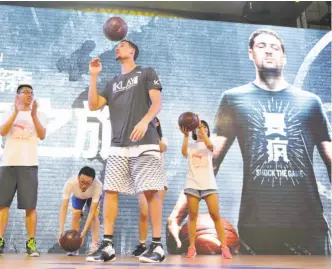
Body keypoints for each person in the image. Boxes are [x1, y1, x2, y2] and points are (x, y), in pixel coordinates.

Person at [167, 29, 332, 255]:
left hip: (309, 224)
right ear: (250, 54)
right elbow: (210, 162)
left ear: (284, 58)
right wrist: (178, 214)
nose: (269, 51)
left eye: (275, 48)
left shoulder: (310, 103)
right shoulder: (234, 99)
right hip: (256, 226)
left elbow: (331, 159)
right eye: (262, 46)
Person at [86, 40, 165, 263]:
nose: (117, 48)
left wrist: (145, 122)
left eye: (122, 45)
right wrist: (93, 76)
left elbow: (157, 103)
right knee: (110, 191)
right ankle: (108, 246)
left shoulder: (146, 72)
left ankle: (157, 246)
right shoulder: (112, 82)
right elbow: (93, 105)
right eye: (116, 46)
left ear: (132, 51)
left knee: (150, 191)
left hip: (145, 141)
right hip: (118, 144)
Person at [0, 84, 48, 257]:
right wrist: (16, 112)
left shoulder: (39, 114)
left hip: (29, 164)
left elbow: (42, 135)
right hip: (8, 164)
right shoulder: (8, 112)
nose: (29, 95)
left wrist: (34, 115)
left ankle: (31, 243)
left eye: (31, 92)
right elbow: (2, 131)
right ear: (18, 95)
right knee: (3, 205)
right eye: (25, 92)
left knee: (30, 206)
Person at [180, 120, 232, 259]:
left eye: (204, 127)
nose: (201, 129)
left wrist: (201, 128)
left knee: (215, 216)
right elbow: (184, 152)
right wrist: (186, 136)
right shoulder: (191, 145)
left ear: (207, 130)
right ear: (194, 131)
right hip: (192, 185)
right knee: (192, 216)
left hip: (209, 185)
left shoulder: (210, 144)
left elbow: (209, 145)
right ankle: (192, 247)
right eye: (198, 128)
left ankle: (224, 247)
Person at [132, 117, 168, 257]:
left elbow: (162, 147)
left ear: (157, 123)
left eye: (152, 121)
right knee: (144, 212)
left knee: (154, 212)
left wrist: (153, 134)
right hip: (143, 177)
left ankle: (156, 243)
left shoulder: (162, 139)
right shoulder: (140, 138)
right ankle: (142, 244)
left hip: (158, 179)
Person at [58, 166, 102, 256]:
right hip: (78, 196)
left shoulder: (98, 185)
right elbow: (64, 207)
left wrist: (83, 233)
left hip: (92, 197)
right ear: (78, 177)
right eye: (82, 182)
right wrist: (61, 232)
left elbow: (91, 212)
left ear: (92, 181)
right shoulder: (70, 183)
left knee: (94, 216)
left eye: (87, 183)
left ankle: (94, 246)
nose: (84, 185)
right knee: (76, 215)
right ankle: (74, 247)